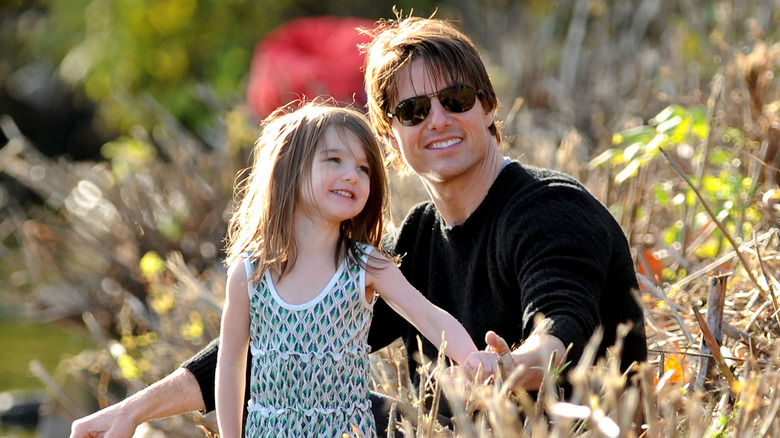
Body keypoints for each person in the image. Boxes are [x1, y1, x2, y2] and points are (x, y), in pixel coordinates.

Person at [70, 14, 648, 438]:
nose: (438, 120)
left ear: (490, 106)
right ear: (389, 138)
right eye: (413, 111)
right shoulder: (420, 236)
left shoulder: (549, 209)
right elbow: (265, 343)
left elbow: (563, 324)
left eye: (457, 98)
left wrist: (505, 367)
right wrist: (133, 410)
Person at [215, 102, 497, 438]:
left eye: (364, 168)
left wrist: (473, 360)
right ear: (287, 167)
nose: (352, 174)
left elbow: (429, 317)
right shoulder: (251, 273)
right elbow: (231, 363)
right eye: (335, 160)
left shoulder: (364, 264)